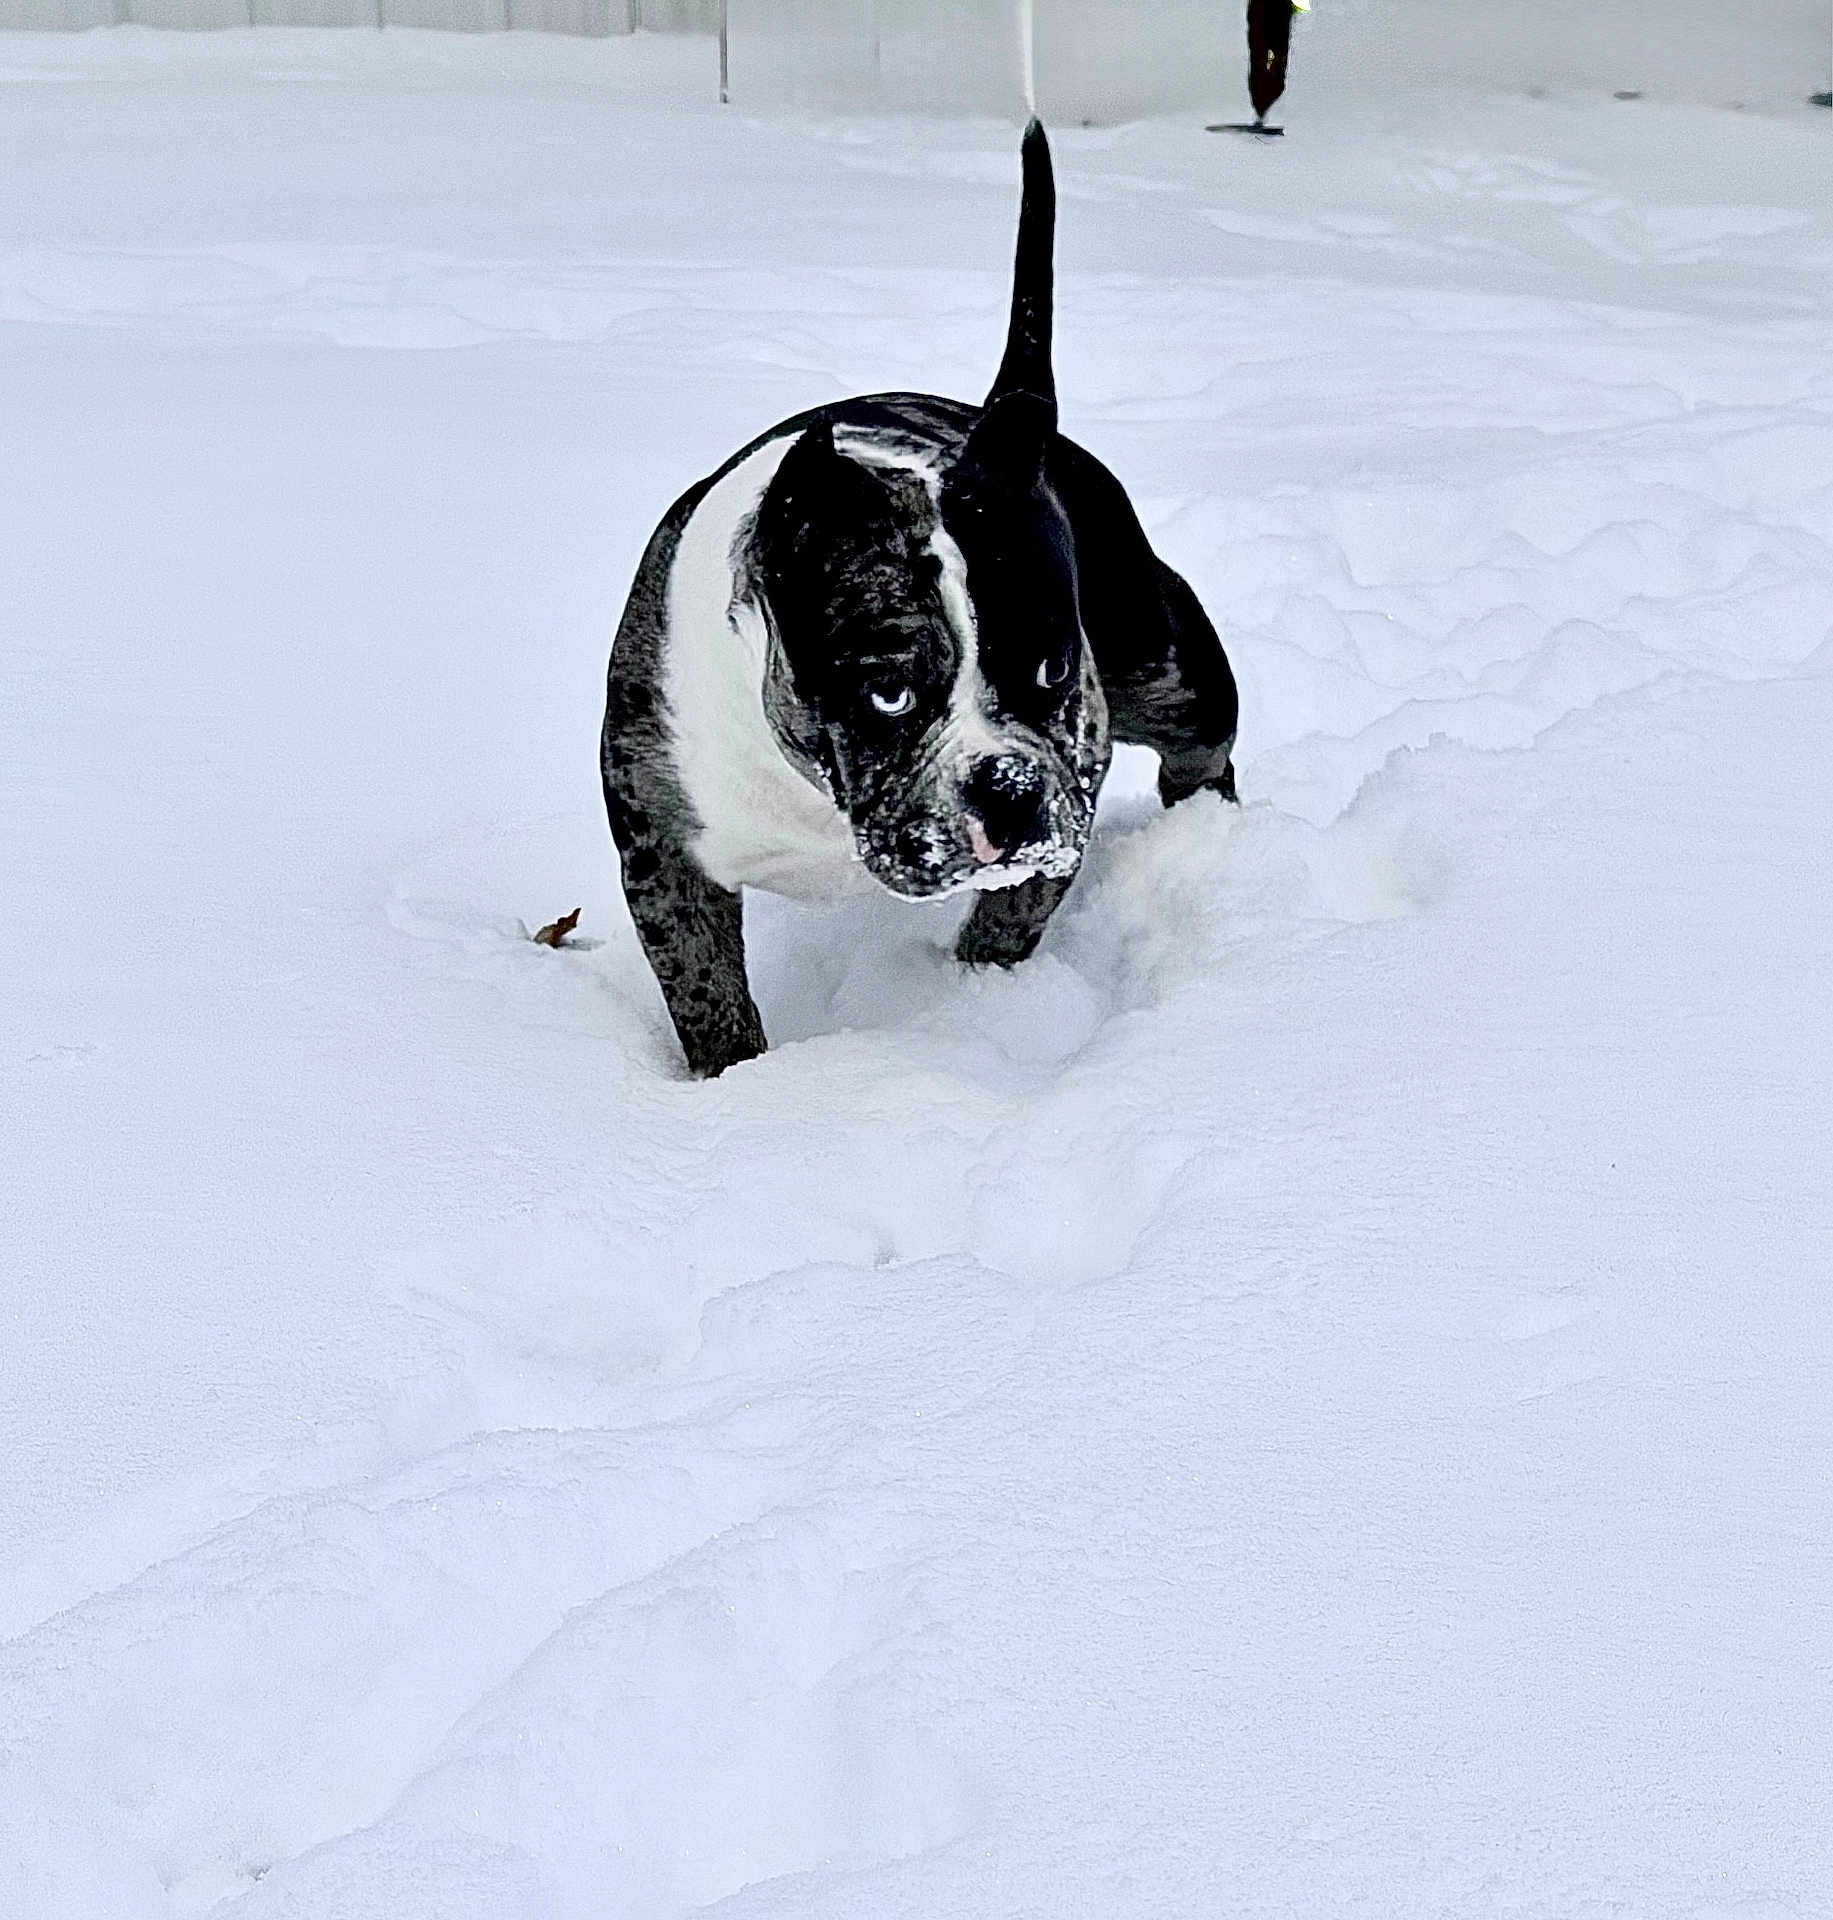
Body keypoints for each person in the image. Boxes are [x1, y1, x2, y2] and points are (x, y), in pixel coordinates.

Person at [1245, 0, 1303, 123]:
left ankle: (1264, 106)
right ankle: (1262, 107)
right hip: (1263, 10)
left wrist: (1299, 9)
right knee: (1261, 58)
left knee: (1275, 60)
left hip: (1279, 11)